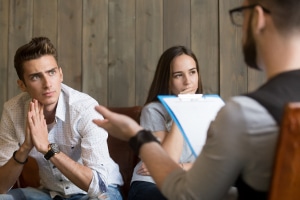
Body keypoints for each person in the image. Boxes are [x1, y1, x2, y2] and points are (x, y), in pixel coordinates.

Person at [93, 0, 300, 199]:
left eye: (241, 15)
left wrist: (135, 134)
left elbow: (187, 195)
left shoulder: (244, 113)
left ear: (258, 17)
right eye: (178, 75)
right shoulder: (241, 114)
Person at [0, 37, 123, 200]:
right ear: (22, 85)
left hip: (96, 193)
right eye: (35, 77)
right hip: (51, 193)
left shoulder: (85, 108)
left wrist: (48, 149)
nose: (47, 84)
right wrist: (25, 147)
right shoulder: (13, 111)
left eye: (51, 72)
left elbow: (97, 185)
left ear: (60, 74)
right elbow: (2, 186)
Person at [128, 46, 202, 200]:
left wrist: (182, 168)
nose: (188, 81)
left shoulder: (209, 109)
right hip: (151, 184)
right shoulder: (153, 110)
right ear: (167, 81)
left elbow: (215, 164)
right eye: (178, 75)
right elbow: (166, 163)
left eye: (192, 72)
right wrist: (180, 111)